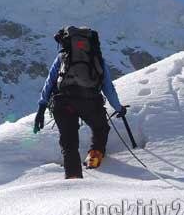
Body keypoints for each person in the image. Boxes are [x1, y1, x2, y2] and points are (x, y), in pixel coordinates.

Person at [33, 26, 127, 179]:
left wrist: (41, 108)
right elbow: (108, 87)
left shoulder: (62, 57)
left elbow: (49, 83)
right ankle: (93, 160)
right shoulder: (96, 59)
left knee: (69, 143)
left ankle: (73, 179)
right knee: (100, 128)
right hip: (90, 101)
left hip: (62, 102)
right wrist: (119, 108)